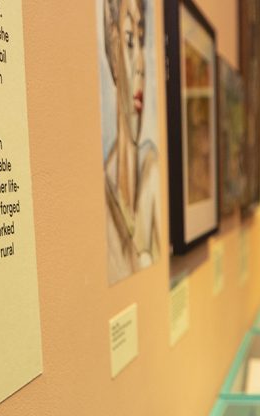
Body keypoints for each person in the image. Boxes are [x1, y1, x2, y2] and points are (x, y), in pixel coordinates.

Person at [102, 0, 160, 284]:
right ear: (113, 50)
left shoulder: (152, 172)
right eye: (128, 42)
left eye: (141, 40)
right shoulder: (104, 198)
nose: (140, 66)